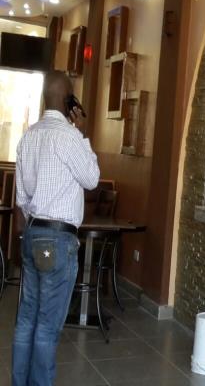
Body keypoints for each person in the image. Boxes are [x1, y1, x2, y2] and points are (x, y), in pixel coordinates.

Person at [12, 71, 99, 386]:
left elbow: (22, 198)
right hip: (57, 241)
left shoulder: (28, 136)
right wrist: (83, 134)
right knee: (47, 327)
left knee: (26, 320)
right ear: (68, 100)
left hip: (32, 233)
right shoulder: (70, 137)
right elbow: (91, 179)